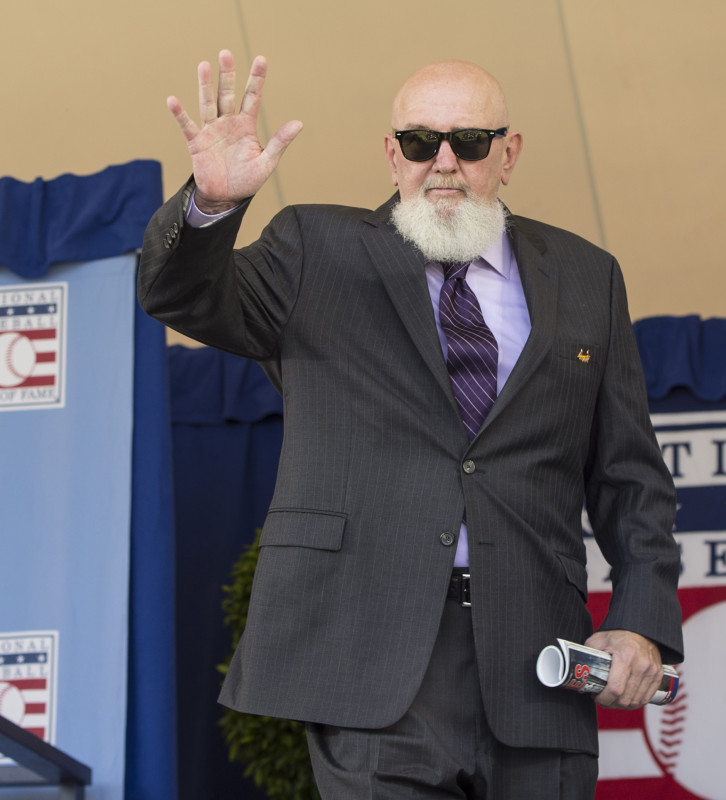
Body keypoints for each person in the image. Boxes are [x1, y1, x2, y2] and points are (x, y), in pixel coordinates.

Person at [139, 51, 683, 800]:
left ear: (509, 152)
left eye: (471, 141)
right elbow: (182, 297)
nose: (446, 163)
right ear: (393, 156)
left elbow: (631, 479)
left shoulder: (588, 276)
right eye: (423, 143)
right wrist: (211, 206)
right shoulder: (314, 251)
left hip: (536, 666)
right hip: (372, 657)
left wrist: (640, 620)